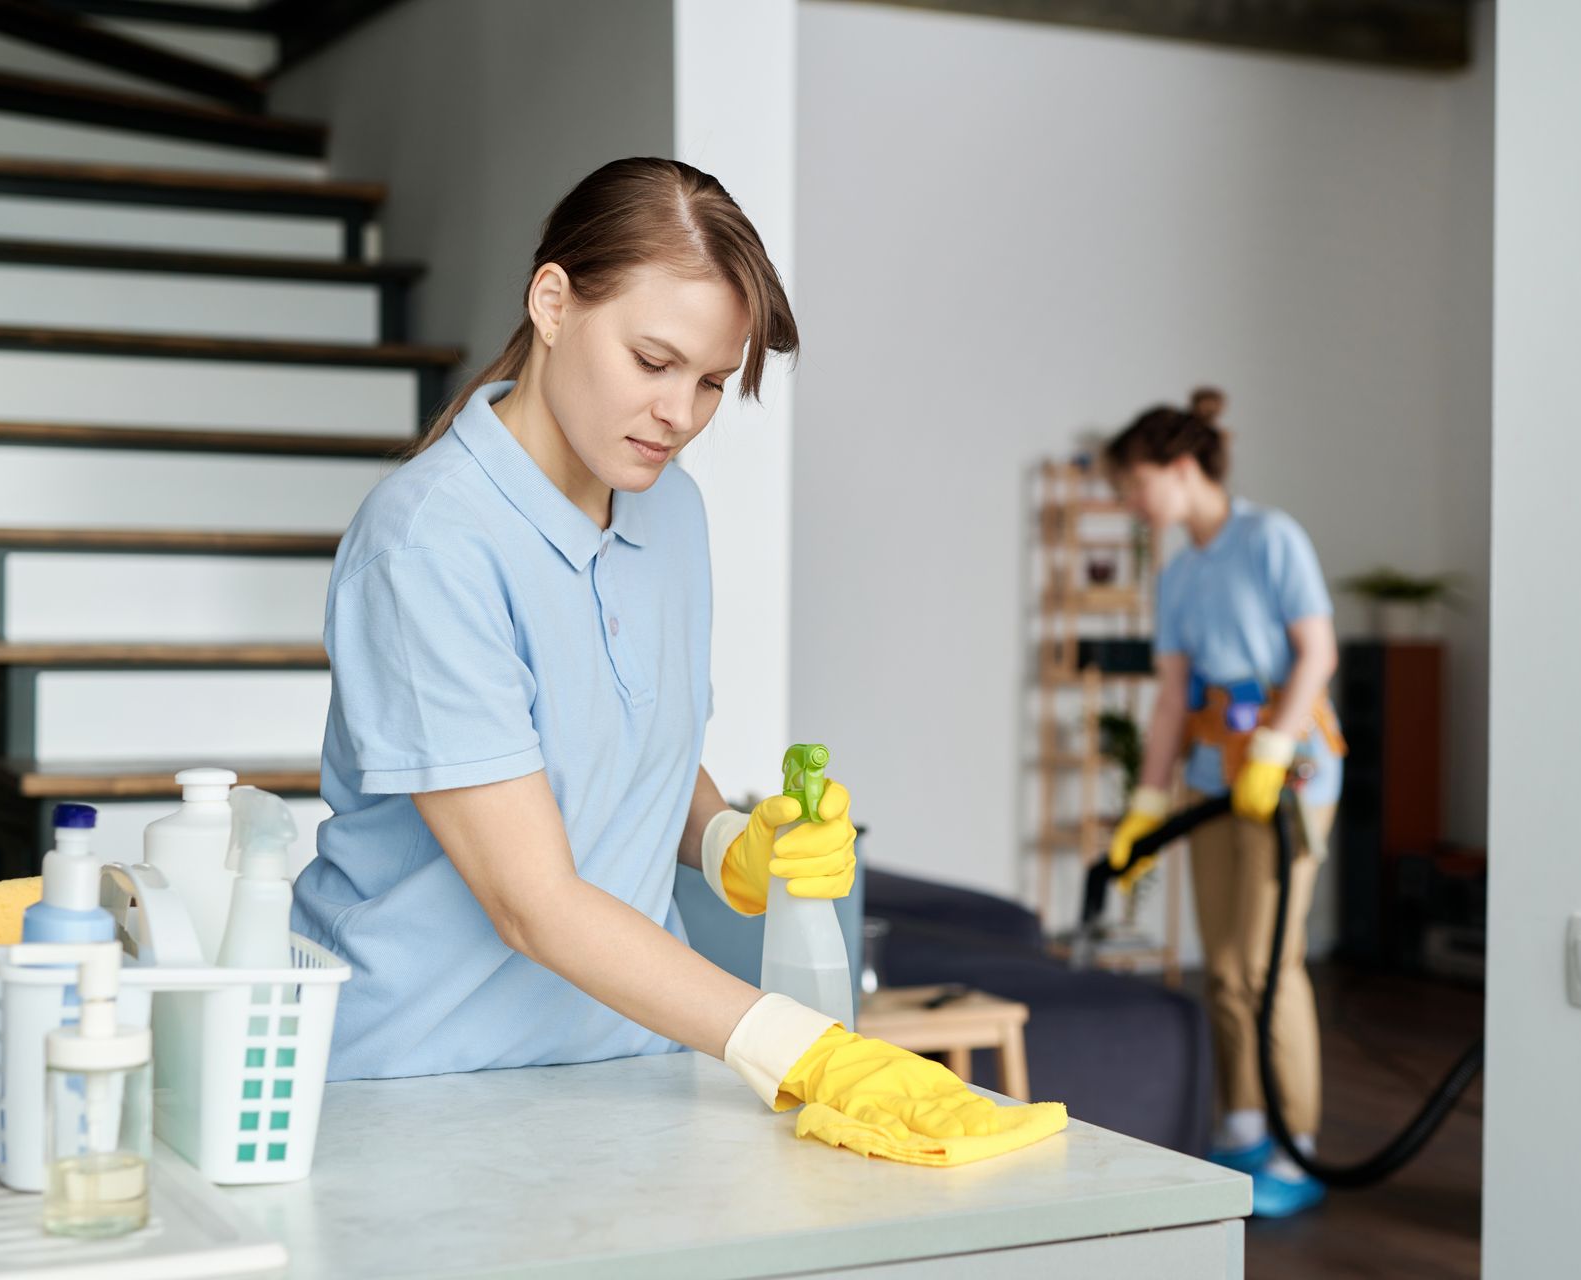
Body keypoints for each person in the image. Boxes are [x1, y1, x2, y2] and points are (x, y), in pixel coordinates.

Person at [294, 157, 1063, 1167]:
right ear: (554, 301)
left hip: (629, 1069)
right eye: (652, 360)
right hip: (416, 1085)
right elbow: (532, 898)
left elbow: (625, 745)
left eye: (708, 381)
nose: (679, 413)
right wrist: (811, 1053)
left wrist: (726, 838)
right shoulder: (429, 544)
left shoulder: (670, 509)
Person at [1104, 398, 1344, 1216]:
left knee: (1267, 964)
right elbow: (1173, 698)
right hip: (1212, 781)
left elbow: (1318, 653)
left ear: (1177, 468)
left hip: (1292, 777)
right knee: (1224, 967)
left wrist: (1275, 747)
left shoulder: (1270, 538)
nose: (1132, 503)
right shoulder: (1177, 572)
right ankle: (1245, 1122)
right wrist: (1144, 805)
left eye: (1135, 484)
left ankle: (1297, 1142)